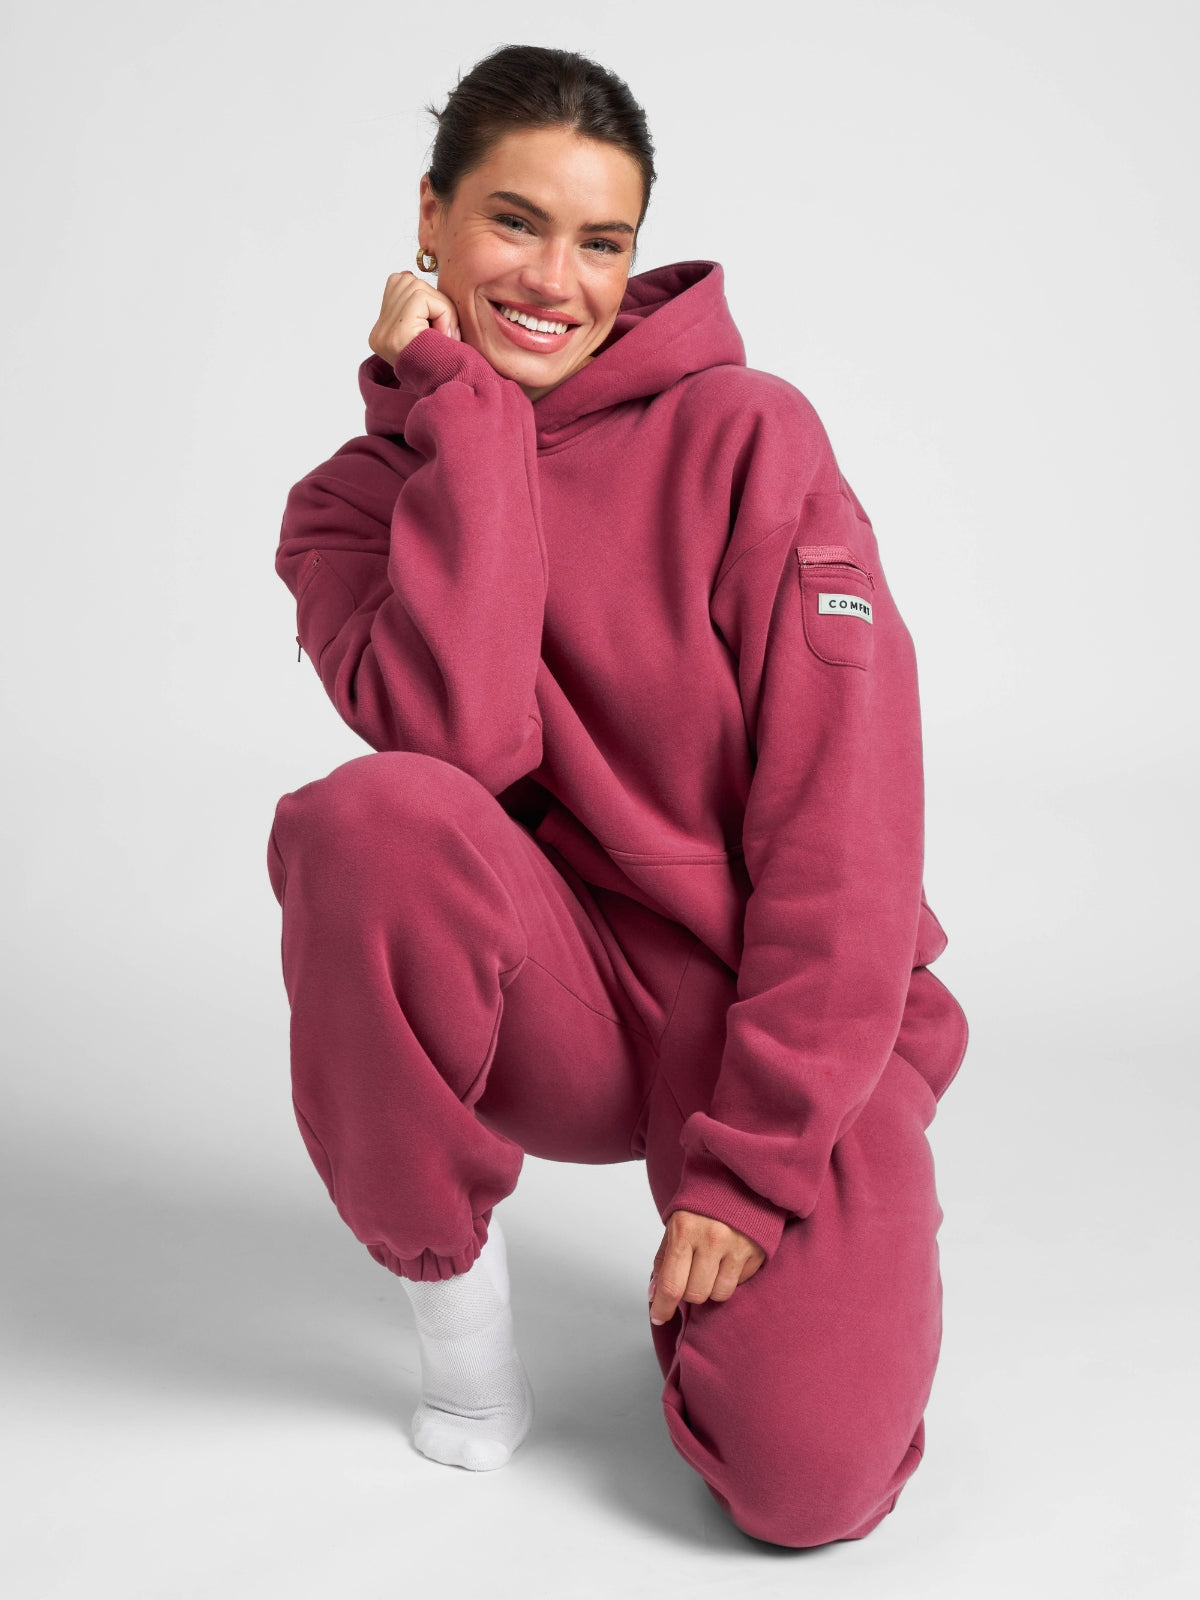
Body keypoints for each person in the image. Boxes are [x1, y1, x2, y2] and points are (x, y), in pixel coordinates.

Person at [265, 43, 970, 1549]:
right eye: (513, 222)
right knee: (366, 822)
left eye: (602, 242)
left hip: (787, 1010)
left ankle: (818, 1249)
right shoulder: (347, 511)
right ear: (431, 217)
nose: (555, 281)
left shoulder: (749, 436)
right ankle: (465, 1337)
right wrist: (466, 419)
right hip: (569, 998)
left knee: (808, 1486)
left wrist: (756, 1166)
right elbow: (458, 750)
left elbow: (848, 831)